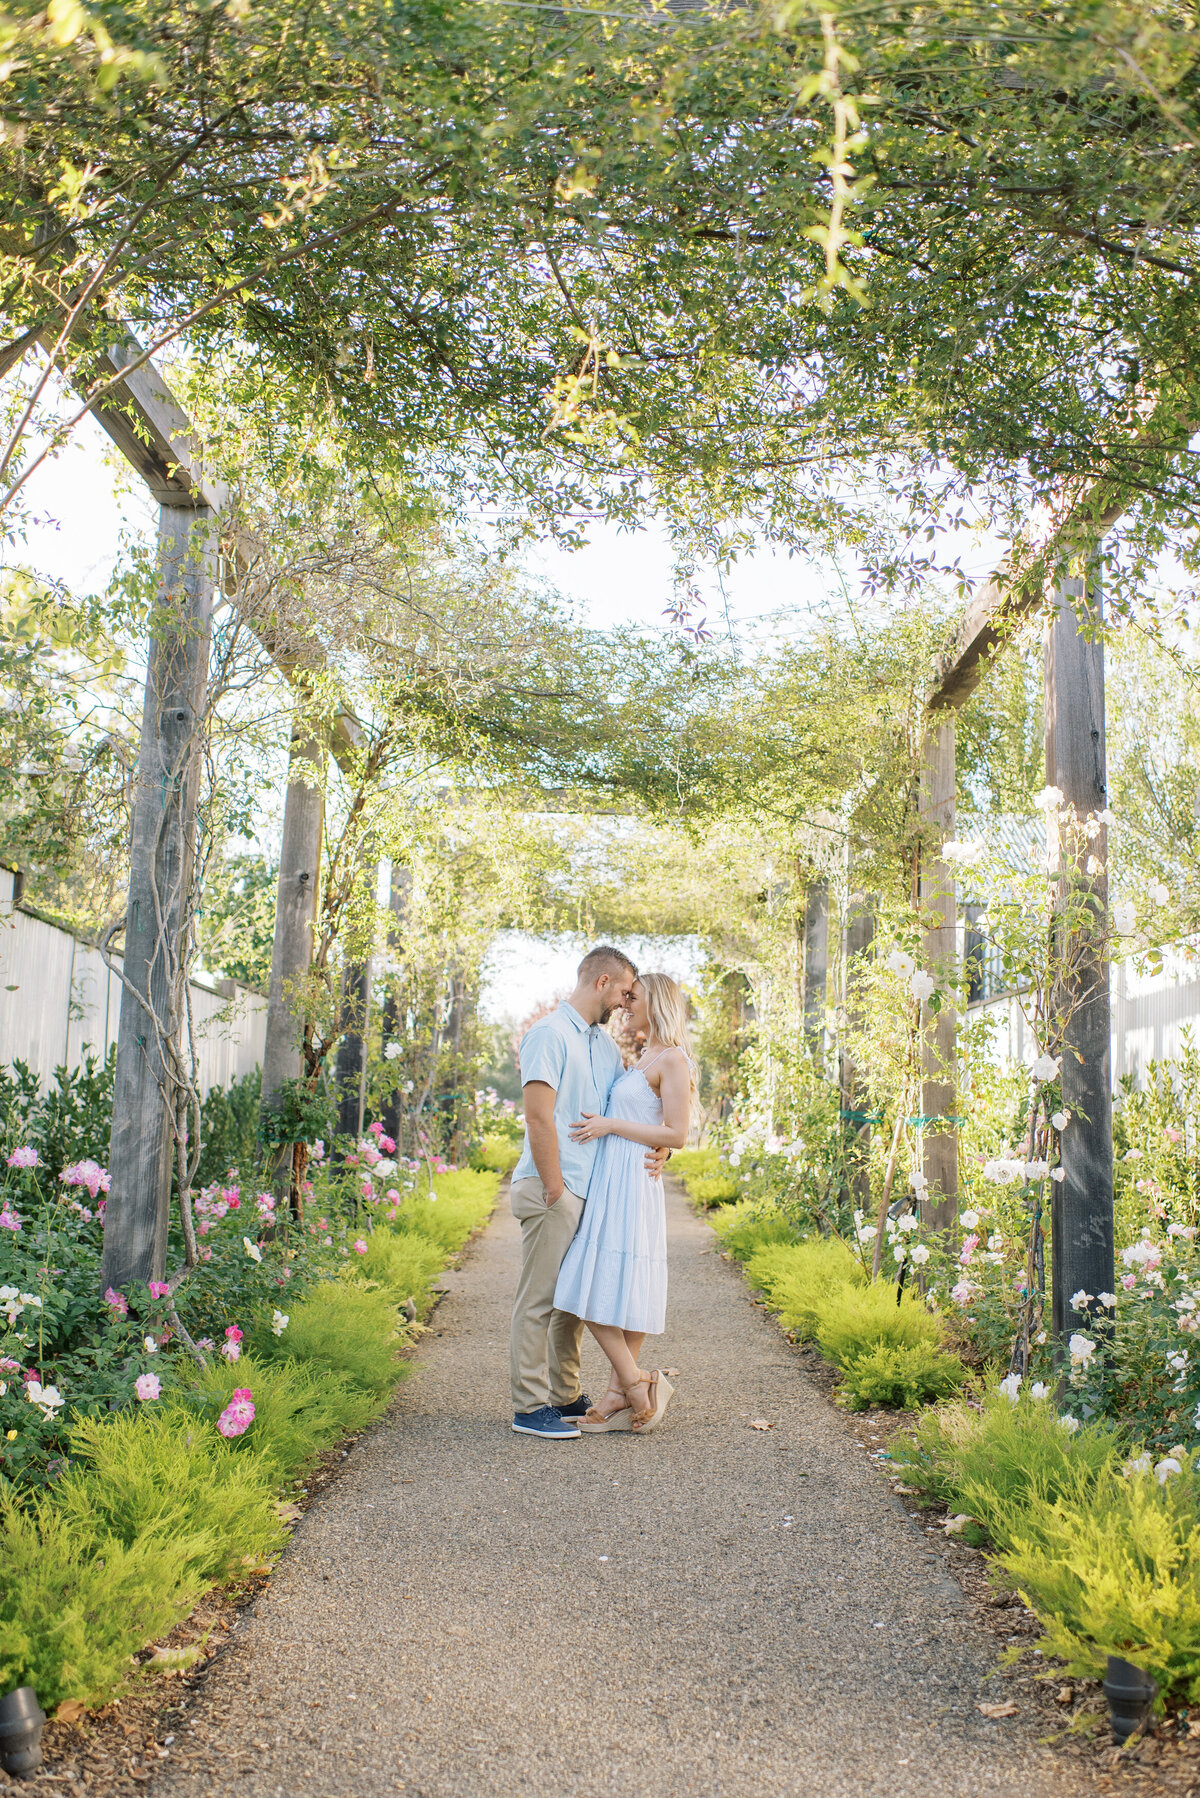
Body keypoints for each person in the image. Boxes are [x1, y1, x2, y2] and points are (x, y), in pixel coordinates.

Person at [509, 946, 667, 1440]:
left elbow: (633, 1109)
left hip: (589, 1192)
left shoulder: (602, 1046)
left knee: (570, 1303)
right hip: (553, 1186)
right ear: (602, 982)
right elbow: (538, 1115)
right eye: (623, 991)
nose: (625, 1003)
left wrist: (665, 1151)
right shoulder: (549, 1035)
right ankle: (530, 1407)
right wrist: (555, 1185)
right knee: (539, 1301)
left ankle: (565, 1394)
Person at [553, 972, 695, 1434]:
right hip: (615, 1178)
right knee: (615, 1285)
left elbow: (676, 1132)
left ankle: (634, 1385)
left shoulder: (673, 1059)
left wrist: (611, 1125)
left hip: (634, 1183)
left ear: (658, 1003)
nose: (625, 1004)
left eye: (634, 998)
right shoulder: (642, 1055)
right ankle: (626, 1388)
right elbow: (651, 1121)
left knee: (591, 1286)